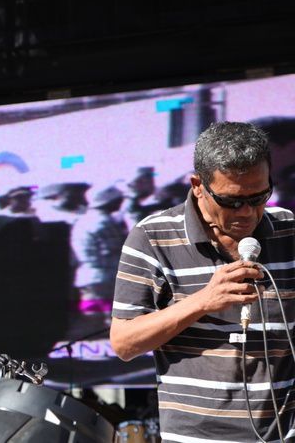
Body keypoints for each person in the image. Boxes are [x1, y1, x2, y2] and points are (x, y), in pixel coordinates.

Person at [111, 121, 294, 442]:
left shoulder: (289, 230)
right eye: (232, 201)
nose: (248, 212)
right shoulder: (153, 236)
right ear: (198, 184)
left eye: (260, 196)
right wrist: (202, 302)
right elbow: (125, 343)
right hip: (198, 436)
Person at [70, 185, 127, 333]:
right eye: (117, 200)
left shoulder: (83, 220)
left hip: (87, 275)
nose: (120, 202)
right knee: (111, 317)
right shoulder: (103, 221)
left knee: (91, 314)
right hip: (105, 276)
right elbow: (116, 248)